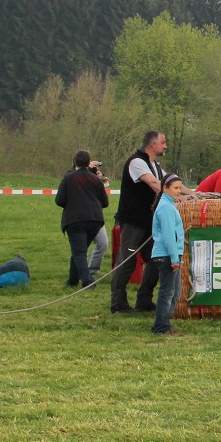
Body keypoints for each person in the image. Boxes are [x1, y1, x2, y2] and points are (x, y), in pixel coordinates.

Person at [111, 130, 167, 314]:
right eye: (163, 142)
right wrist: (175, 196)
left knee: (156, 259)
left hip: (149, 222)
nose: (165, 146)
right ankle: (118, 303)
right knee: (126, 261)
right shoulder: (137, 162)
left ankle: (144, 300)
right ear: (153, 144)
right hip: (133, 221)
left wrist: (194, 194)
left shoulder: (156, 165)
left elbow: (170, 183)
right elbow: (154, 184)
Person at [55, 149, 109, 288]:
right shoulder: (96, 179)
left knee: (79, 252)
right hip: (95, 220)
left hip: (75, 220)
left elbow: (59, 200)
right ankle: (72, 281)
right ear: (89, 162)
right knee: (79, 250)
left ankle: (88, 281)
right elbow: (105, 202)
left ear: (74, 162)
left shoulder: (68, 178)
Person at [151, 174, 185, 336]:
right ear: (165, 188)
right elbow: (169, 235)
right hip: (166, 255)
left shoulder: (168, 205)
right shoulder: (165, 207)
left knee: (175, 292)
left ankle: (164, 324)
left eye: (180, 188)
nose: (178, 191)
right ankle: (161, 327)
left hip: (169, 254)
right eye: (175, 188)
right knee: (168, 292)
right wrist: (174, 258)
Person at [86, 160, 110, 278]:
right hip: (82, 216)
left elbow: (104, 200)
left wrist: (99, 179)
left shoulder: (96, 179)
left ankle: (92, 270)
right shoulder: (74, 176)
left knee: (103, 243)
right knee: (82, 246)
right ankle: (82, 272)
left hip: (96, 216)